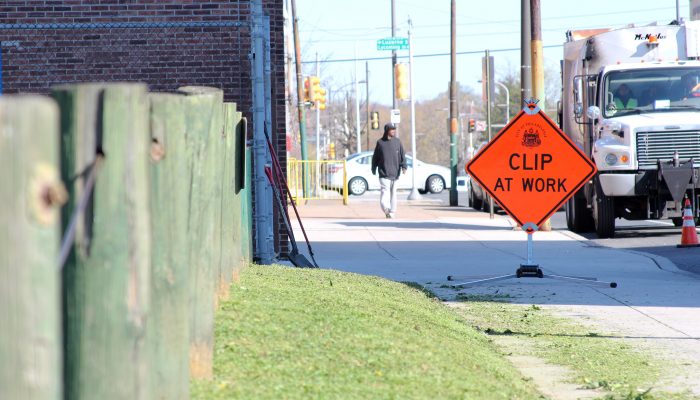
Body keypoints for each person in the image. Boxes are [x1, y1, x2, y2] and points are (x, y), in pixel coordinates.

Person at [371, 123, 406, 218]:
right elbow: (375, 157)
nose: (394, 131)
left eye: (394, 129)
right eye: (392, 130)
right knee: (384, 193)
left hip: (395, 174)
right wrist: (373, 168)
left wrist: (404, 166)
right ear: (387, 131)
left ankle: (392, 212)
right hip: (384, 173)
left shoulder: (397, 142)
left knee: (393, 194)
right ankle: (386, 209)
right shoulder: (380, 143)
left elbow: (402, 155)